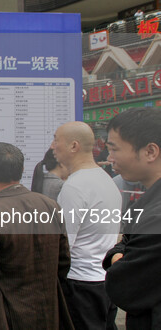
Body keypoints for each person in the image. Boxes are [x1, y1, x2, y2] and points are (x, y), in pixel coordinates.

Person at [0, 142, 73, 329]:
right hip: (49, 314)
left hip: (6, 318)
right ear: (22, 169)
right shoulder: (50, 206)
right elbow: (63, 263)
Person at [51, 121, 122, 330]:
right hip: (104, 282)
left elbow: (64, 245)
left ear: (74, 146)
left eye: (56, 140)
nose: (53, 146)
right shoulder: (106, 180)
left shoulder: (75, 186)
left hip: (80, 286)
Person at [103, 107, 161, 329]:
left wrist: (119, 257)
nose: (109, 158)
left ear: (150, 151)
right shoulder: (148, 204)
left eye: (114, 149)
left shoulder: (156, 216)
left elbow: (123, 287)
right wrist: (122, 255)